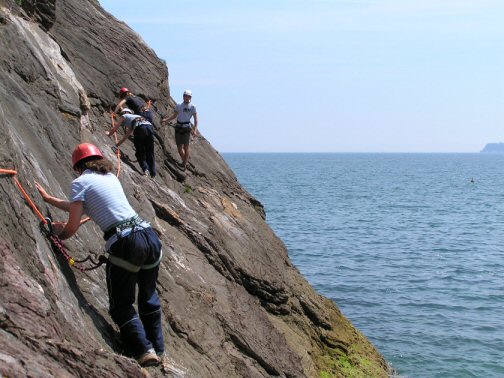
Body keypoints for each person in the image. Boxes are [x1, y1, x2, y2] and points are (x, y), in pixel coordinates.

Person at [35, 143, 165, 367]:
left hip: (126, 243)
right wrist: (49, 200)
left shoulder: (80, 183)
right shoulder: (111, 178)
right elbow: (82, 206)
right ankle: (158, 349)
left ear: (77, 166)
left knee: (121, 305)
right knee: (148, 298)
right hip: (149, 236)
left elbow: (73, 225)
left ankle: (144, 350)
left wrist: (58, 236)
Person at [107, 108, 156, 178]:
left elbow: (116, 127)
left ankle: (145, 169)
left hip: (140, 128)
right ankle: (153, 173)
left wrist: (109, 134)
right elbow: (126, 136)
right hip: (150, 128)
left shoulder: (125, 116)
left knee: (140, 151)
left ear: (124, 112)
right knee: (150, 151)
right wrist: (117, 145)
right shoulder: (135, 118)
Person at [162, 90, 198, 171]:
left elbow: (196, 120)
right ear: (183, 96)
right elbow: (174, 116)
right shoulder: (179, 105)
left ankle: (184, 164)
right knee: (179, 148)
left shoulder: (193, 106)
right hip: (178, 126)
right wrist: (166, 120)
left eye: (188, 96)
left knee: (186, 147)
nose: (186, 97)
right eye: (185, 95)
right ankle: (185, 161)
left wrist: (195, 130)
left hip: (186, 127)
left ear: (190, 97)